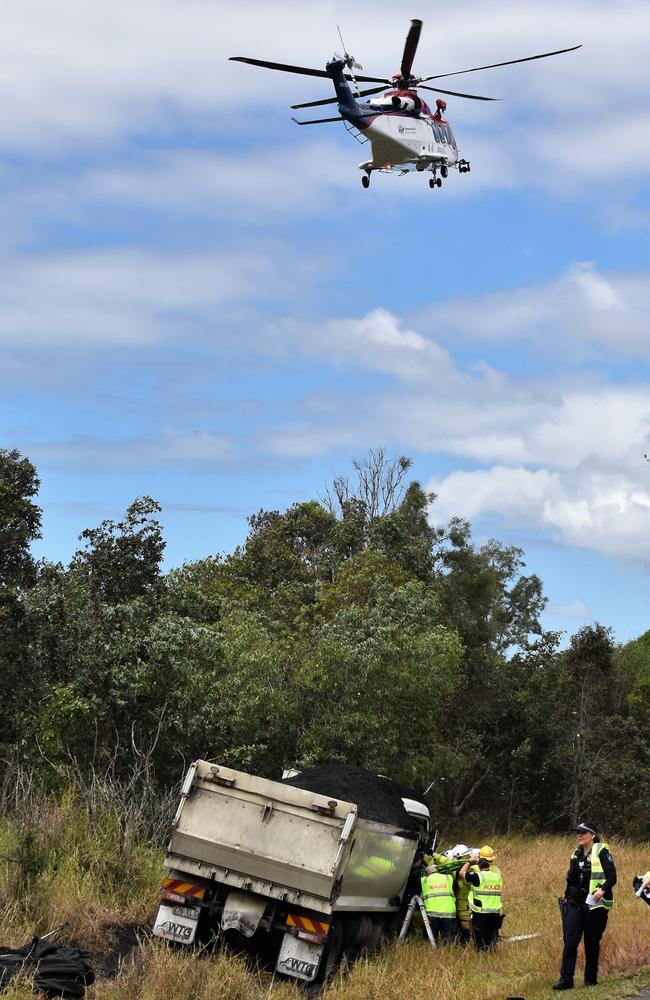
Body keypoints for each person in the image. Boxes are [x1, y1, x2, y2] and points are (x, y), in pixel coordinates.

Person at [553, 821, 616, 991]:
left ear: (592, 835)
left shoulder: (602, 851)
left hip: (594, 906)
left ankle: (590, 979)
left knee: (591, 941)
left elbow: (612, 877)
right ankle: (566, 980)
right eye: (578, 833)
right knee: (570, 941)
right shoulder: (576, 854)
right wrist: (566, 898)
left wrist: (602, 890)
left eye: (583, 832)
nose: (579, 835)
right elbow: (570, 880)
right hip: (575, 902)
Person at [460, 845, 503, 950]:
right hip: (496, 913)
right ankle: (491, 956)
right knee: (492, 939)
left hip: (481, 913)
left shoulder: (478, 876)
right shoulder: (497, 876)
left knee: (480, 938)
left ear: (479, 866)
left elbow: (462, 873)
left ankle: (482, 956)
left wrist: (469, 861)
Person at [420, 863, 457, 943]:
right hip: (449, 913)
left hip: (431, 914)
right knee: (449, 940)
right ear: (438, 870)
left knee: (431, 940)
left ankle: (432, 954)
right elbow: (456, 890)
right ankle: (448, 953)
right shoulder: (448, 878)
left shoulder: (424, 880)